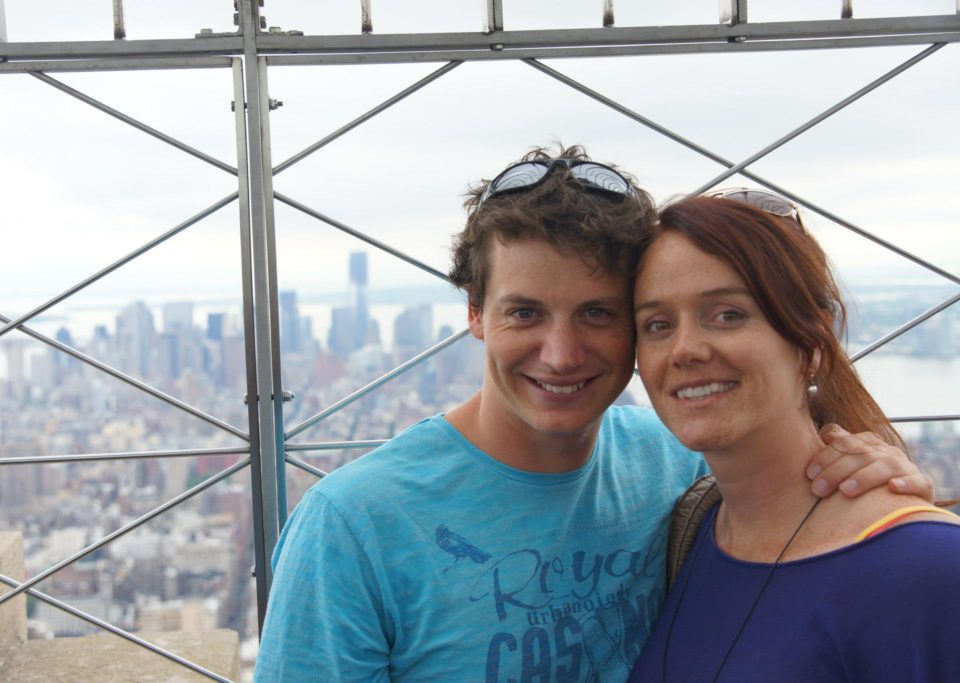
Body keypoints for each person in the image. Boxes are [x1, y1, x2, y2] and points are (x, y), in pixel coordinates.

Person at [253, 149, 930, 682]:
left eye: (598, 313)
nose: (561, 352)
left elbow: (796, 490)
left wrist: (866, 462)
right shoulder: (353, 524)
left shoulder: (675, 465)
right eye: (525, 312)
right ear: (473, 314)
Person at [629, 192, 960, 682]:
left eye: (728, 314)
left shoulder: (929, 568)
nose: (685, 349)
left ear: (812, 343)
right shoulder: (690, 533)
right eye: (657, 325)